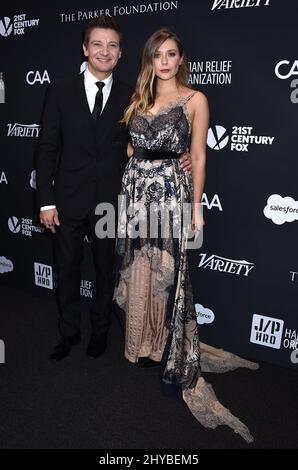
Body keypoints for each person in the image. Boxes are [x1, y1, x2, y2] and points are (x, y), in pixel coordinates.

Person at [114, 28, 259, 443]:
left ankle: (168, 353)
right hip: (135, 195)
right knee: (140, 270)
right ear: (149, 60)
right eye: (157, 55)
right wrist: (140, 164)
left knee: (169, 276)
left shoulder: (196, 100)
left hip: (171, 199)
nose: (164, 61)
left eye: (171, 54)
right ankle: (143, 346)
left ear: (181, 59)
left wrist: (196, 208)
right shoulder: (139, 99)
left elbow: (197, 155)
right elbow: (131, 146)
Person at [36, 17, 192, 361]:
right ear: (85, 49)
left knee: (107, 270)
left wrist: (180, 156)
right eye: (97, 44)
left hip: (112, 201)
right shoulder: (60, 90)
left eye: (111, 46)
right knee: (67, 268)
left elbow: (146, 140)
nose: (104, 52)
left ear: (120, 53)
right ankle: (69, 331)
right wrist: (46, 201)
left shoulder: (133, 95)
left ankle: (101, 331)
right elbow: (47, 148)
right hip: (68, 198)